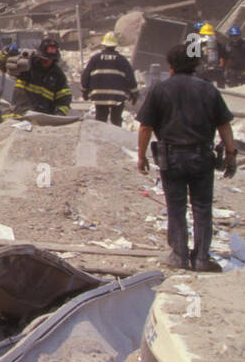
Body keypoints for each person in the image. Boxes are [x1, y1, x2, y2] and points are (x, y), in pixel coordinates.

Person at [137, 43, 237, 271]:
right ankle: (202, 258)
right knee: (202, 207)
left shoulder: (160, 90)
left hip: (171, 158)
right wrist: (230, 154)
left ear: (170, 66)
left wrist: (141, 157)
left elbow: (145, 127)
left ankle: (179, 256)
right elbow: (224, 125)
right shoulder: (208, 89)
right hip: (202, 157)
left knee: (176, 206)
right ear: (195, 65)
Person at [81, 32, 138, 126]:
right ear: (115, 45)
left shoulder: (95, 59)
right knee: (116, 120)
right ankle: (116, 139)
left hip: (99, 96)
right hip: (117, 96)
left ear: (104, 45)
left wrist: (84, 91)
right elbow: (130, 78)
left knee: (100, 119)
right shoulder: (122, 60)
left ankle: (100, 139)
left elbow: (86, 76)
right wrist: (134, 93)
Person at [7, 36, 72, 118]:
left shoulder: (58, 75)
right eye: (44, 58)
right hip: (19, 115)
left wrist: (59, 114)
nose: (46, 61)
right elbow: (3, 68)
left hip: (42, 119)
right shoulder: (27, 65)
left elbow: (64, 99)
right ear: (39, 55)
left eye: (50, 59)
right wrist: (7, 56)